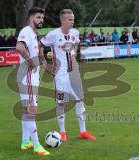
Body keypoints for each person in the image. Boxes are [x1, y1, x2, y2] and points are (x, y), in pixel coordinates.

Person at [39, 9, 96, 142]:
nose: (72, 22)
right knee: (61, 103)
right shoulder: (53, 34)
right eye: (70, 20)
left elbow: (76, 44)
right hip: (60, 76)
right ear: (63, 20)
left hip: (74, 73)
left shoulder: (75, 33)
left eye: (73, 19)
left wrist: (74, 53)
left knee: (80, 101)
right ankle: (62, 133)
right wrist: (44, 64)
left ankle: (83, 131)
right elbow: (39, 45)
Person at [15, 7, 50, 156]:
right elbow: (19, 47)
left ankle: (25, 141)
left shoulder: (34, 34)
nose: (41, 20)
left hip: (31, 76)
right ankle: (37, 145)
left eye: (42, 18)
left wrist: (44, 64)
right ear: (31, 18)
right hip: (28, 76)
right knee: (31, 111)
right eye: (38, 17)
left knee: (27, 110)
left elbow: (36, 51)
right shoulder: (26, 31)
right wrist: (31, 62)